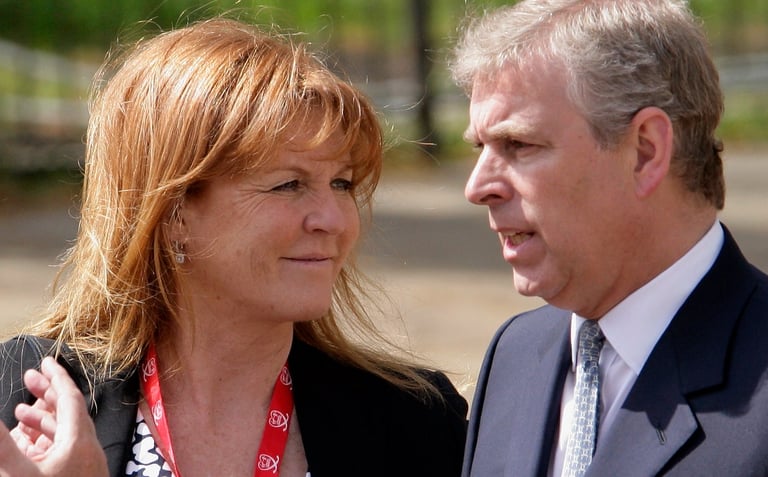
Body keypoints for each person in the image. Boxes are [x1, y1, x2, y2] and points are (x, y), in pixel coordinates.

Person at [0, 18, 467, 477]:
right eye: (288, 185)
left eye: (342, 184)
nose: (333, 220)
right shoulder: (22, 396)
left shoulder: (414, 422)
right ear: (174, 213)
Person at [449, 0, 768, 476]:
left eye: (518, 145)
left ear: (645, 151)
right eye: (481, 146)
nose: (477, 187)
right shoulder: (514, 355)